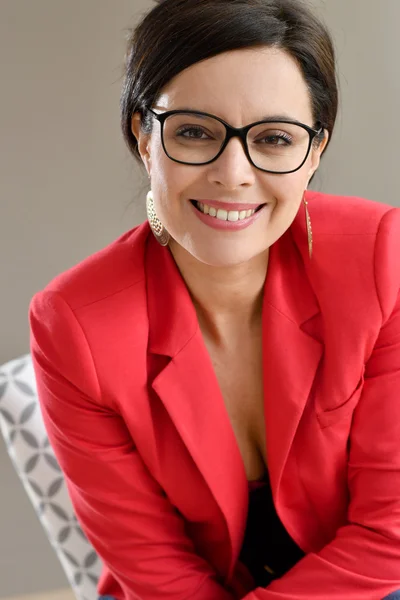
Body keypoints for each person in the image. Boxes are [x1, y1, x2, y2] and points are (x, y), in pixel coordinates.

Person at [28, 0, 400, 598]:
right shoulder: (74, 324)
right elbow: (154, 568)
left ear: (315, 152)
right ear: (144, 140)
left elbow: (391, 531)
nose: (233, 173)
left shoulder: (385, 261)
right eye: (195, 132)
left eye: (275, 138)